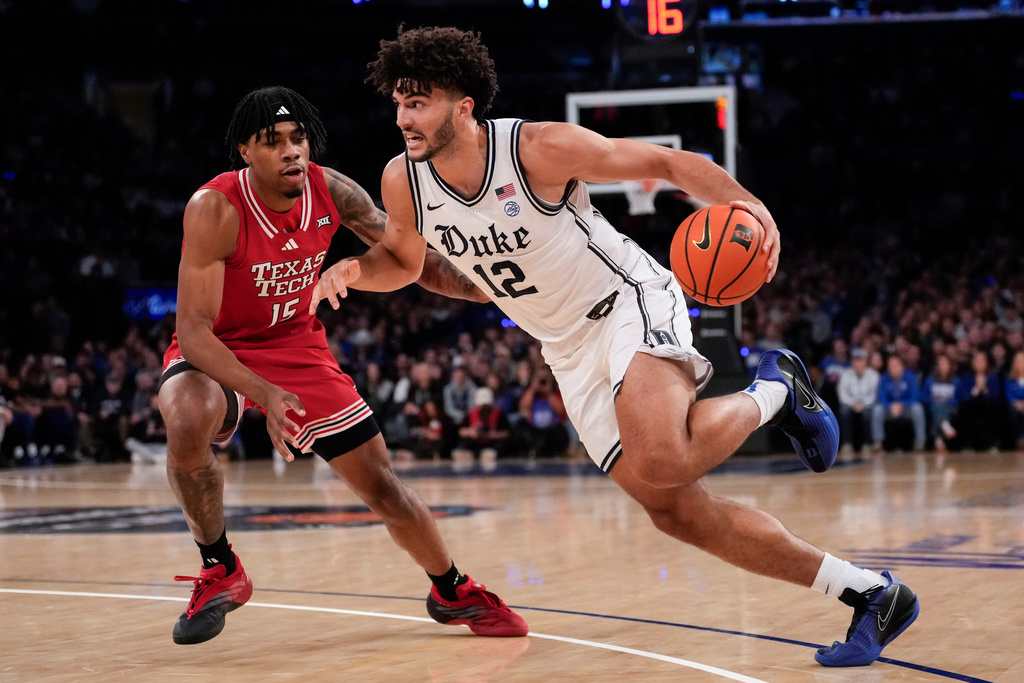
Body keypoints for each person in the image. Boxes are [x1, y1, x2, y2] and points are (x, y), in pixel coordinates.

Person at [312, 27, 918, 667]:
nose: (405, 118)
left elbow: (665, 164)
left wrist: (747, 203)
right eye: (401, 104)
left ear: (463, 107)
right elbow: (404, 262)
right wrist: (356, 271)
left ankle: (777, 389)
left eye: (420, 103)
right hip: (564, 348)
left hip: (628, 301)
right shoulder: (403, 180)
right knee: (678, 513)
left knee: (662, 459)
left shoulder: (537, 148)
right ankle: (873, 594)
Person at [157, 86, 526, 645]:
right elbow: (194, 333)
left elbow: (411, 257)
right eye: (273, 142)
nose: (291, 152)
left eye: (298, 138)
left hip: (296, 346)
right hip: (221, 347)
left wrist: (490, 290)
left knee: (382, 484)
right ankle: (219, 567)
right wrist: (263, 392)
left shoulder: (333, 192)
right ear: (244, 152)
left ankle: (450, 589)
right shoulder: (215, 208)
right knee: (187, 414)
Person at [870, 354, 926, 452]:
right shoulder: (884, 378)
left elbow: (915, 396)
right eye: (891, 366)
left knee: (918, 409)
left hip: (906, 408)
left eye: (895, 365)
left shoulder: (910, 377)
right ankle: (878, 442)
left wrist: (902, 404)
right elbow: (881, 397)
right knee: (877, 410)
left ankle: (920, 442)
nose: (893, 368)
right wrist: (890, 405)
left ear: (901, 366)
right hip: (889, 409)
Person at [836, 348, 878, 457]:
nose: (858, 363)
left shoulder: (873, 375)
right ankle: (847, 444)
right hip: (851, 405)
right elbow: (843, 395)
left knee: (868, 413)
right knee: (844, 411)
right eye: (856, 360)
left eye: (861, 360)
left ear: (865, 361)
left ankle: (867, 444)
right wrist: (853, 404)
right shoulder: (846, 374)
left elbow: (873, 395)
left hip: (867, 405)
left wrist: (863, 404)